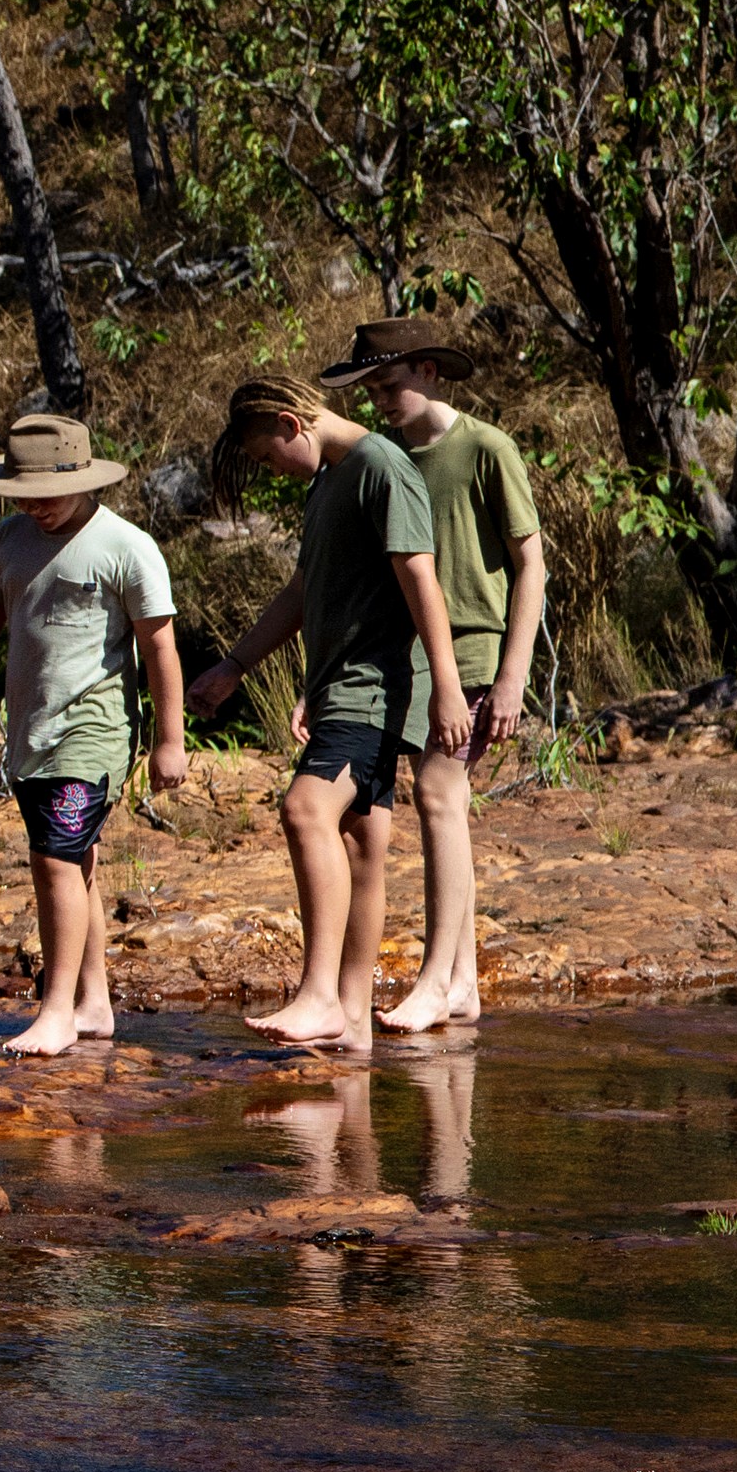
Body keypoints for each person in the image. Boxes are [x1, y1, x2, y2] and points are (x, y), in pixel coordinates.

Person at [187, 374, 473, 1058]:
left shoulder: (381, 466)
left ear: (291, 422)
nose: (269, 471)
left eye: (263, 457)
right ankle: (347, 1015)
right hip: (338, 688)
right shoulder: (329, 482)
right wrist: (234, 666)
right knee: (358, 844)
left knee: (305, 810)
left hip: (371, 690)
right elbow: (304, 592)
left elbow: (419, 576)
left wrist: (449, 686)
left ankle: (317, 993)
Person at [324, 319, 551, 1032]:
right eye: (370, 391)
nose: (380, 401)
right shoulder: (383, 459)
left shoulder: (486, 447)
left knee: (436, 790)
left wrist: (514, 673)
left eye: (389, 386)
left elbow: (530, 563)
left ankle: (433, 980)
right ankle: (460, 982)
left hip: (475, 651)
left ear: (427, 370)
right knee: (441, 805)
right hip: (406, 657)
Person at [0, 410, 192, 1057]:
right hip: (33, 732)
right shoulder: (8, 539)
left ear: (84, 479)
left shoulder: (124, 545)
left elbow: (159, 648)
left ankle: (53, 1009)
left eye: (47, 494)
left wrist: (171, 738)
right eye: (23, 497)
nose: (37, 507)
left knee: (52, 856)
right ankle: (93, 1002)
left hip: (96, 730)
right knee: (72, 862)